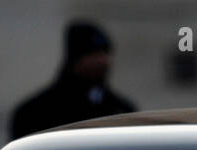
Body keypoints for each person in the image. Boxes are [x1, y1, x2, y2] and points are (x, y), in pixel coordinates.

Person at [9, 22, 137, 140]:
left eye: (105, 53)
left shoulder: (121, 109)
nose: (102, 61)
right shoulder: (35, 113)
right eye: (93, 54)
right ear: (75, 59)